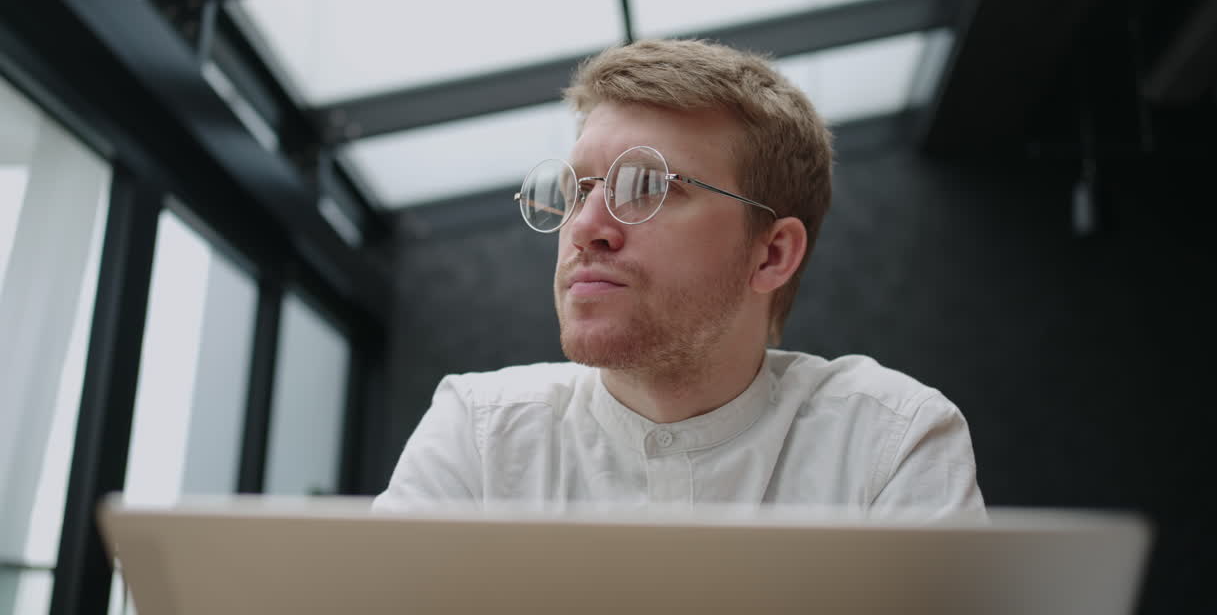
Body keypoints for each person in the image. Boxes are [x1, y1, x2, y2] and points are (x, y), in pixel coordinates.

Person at [373, 39, 983, 515]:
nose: (585, 227)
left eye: (645, 186)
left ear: (771, 255)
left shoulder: (888, 441)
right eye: (576, 189)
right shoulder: (480, 433)